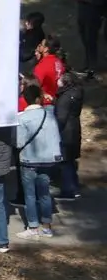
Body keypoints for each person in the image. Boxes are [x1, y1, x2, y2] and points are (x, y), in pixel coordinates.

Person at [16, 87, 63, 238]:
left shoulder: (23, 118)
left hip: (29, 160)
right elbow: (57, 137)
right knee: (44, 194)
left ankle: (33, 227)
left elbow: (18, 142)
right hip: (48, 160)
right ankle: (47, 227)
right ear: (38, 98)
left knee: (30, 195)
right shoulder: (49, 115)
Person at [54, 68, 84, 200]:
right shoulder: (76, 93)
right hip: (74, 129)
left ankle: (68, 190)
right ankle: (74, 187)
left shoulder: (65, 98)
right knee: (70, 161)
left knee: (65, 162)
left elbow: (61, 117)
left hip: (65, 132)